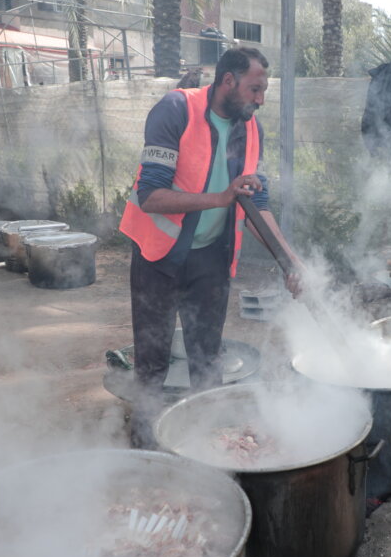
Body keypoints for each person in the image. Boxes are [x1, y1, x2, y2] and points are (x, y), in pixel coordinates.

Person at [119, 47, 300, 448]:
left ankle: (204, 442)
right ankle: (145, 449)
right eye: (255, 89)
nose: (261, 99)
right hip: (158, 257)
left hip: (211, 260)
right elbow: (150, 195)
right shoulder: (174, 111)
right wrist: (220, 198)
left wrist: (291, 261)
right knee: (152, 362)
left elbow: (257, 204)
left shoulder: (252, 129)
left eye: (264, 90)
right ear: (228, 81)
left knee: (207, 359)